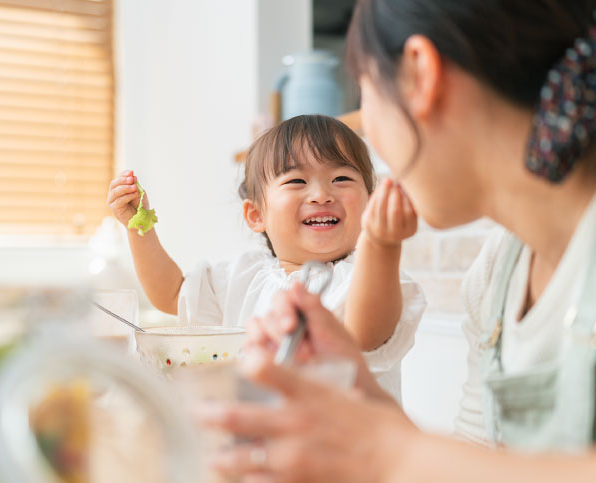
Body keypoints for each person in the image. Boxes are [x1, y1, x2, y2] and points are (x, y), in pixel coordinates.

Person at [195, 0, 596, 480]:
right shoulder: (497, 274)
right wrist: (370, 414)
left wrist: (390, 451)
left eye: (365, 91)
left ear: (420, 73)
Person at [107, 114, 426, 400]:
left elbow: (365, 334)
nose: (321, 194)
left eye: (341, 178)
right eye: (297, 181)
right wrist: (140, 229)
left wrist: (382, 245)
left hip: (345, 460)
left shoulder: (369, 280)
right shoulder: (241, 277)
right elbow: (172, 294)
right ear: (256, 214)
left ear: (370, 202)